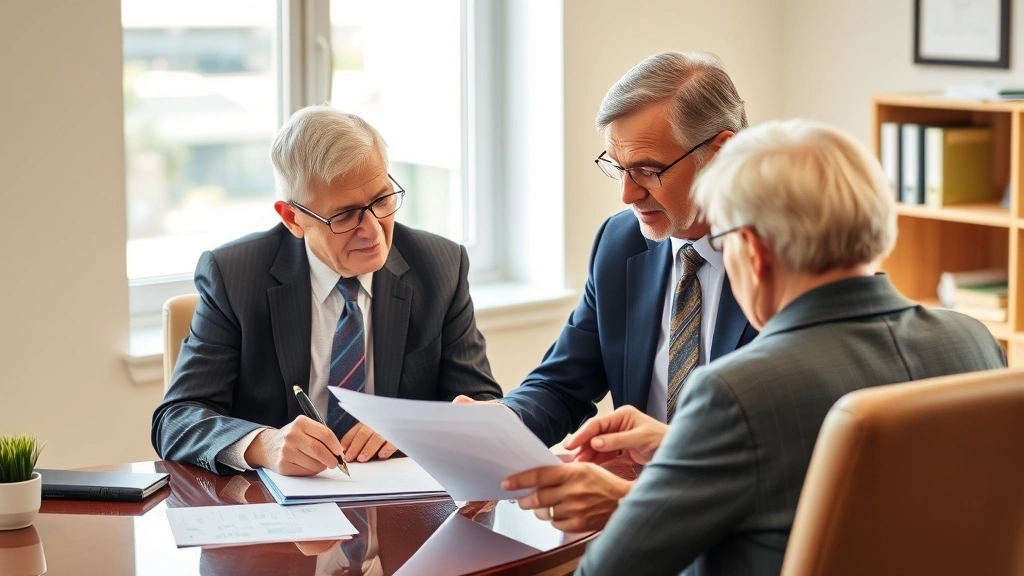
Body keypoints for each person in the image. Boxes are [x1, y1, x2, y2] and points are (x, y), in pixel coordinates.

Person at [566, 119, 1008, 576]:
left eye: (723, 241)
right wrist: (679, 459)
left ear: (754, 253)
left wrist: (643, 498)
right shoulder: (975, 344)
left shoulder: (738, 391)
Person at [462, 51, 758, 531]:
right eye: (616, 166)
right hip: (636, 536)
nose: (627, 193)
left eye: (647, 169)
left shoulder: (786, 258)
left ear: (721, 153)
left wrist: (644, 492)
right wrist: (500, 425)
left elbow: (789, 444)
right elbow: (563, 382)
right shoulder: (620, 243)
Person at [152, 106, 502, 476]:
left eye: (382, 200)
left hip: (402, 510)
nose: (373, 230)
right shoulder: (236, 276)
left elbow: (483, 407)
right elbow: (176, 419)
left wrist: (411, 428)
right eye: (346, 215)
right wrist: (263, 444)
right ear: (292, 218)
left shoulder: (439, 267)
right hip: (275, 511)